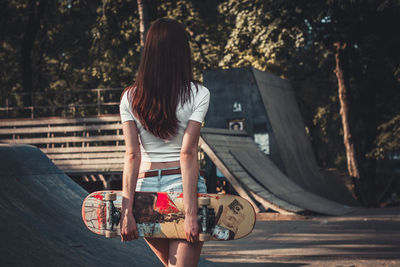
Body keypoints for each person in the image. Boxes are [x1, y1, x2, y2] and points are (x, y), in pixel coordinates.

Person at [119, 17, 210, 267]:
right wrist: (191, 213)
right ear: (182, 52)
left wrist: (127, 210)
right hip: (183, 188)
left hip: (145, 196)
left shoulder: (130, 97)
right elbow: (188, 154)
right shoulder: (198, 94)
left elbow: (132, 156)